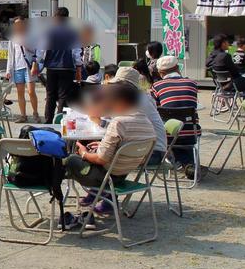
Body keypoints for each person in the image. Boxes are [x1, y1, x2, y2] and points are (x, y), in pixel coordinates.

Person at [62, 82, 156, 220]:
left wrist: (83, 153)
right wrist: (101, 145)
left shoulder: (118, 122)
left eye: (110, 101)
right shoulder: (146, 121)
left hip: (105, 177)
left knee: (68, 160)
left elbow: (101, 159)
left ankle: (54, 196)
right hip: (123, 173)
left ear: (121, 101)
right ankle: (102, 200)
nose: (107, 105)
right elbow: (123, 147)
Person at [109, 66, 167, 166]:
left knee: (102, 159)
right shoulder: (142, 97)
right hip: (153, 150)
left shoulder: (134, 102)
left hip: (151, 154)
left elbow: (117, 125)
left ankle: (111, 181)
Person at [151, 55, 200, 173]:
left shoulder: (157, 86)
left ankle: (180, 162)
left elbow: (155, 110)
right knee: (183, 127)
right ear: (178, 68)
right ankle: (188, 164)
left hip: (167, 135)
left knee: (169, 127)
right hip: (191, 132)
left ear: (160, 72)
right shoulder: (192, 83)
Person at [39, 7, 80, 124]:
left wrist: (37, 63)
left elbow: (42, 49)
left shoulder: (49, 31)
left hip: (51, 66)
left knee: (50, 95)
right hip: (67, 66)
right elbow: (76, 51)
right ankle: (60, 121)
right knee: (63, 96)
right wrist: (78, 67)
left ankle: (48, 121)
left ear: (56, 18)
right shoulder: (72, 32)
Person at [206, 34, 245, 102]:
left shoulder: (211, 56)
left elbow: (209, 66)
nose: (228, 44)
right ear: (223, 43)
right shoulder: (225, 56)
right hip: (231, 85)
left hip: (219, 85)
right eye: (227, 42)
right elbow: (235, 74)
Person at [5, 17, 38, 123]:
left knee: (31, 91)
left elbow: (36, 51)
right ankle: (23, 115)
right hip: (17, 67)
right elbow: (10, 55)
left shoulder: (31, 36)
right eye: (16, 24)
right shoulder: (13, 38)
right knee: (20, 93)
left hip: (28, 67)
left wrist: (25, 44)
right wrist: (8, 70)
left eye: (20, 24)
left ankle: (35, 113)